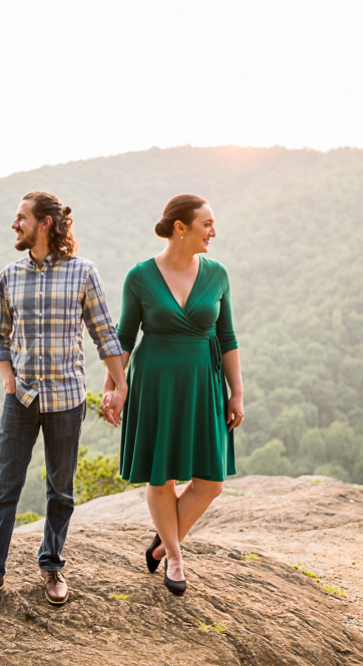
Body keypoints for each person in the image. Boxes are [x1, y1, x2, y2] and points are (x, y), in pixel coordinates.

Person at [0, 191, 129, 615]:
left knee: (61, 490)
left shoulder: (83, 272)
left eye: (21, 218)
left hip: (67, 399)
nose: (14, 224)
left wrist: (121, 385)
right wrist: (8, 379)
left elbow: (106, 335)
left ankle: (51, 565)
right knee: (5, 490)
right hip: (20, 400)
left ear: (45, 224)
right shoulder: (10, 275)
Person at [100, 194, 243, 596]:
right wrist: (113, 386)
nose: (213, 232)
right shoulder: (140, 276)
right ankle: (176, 559)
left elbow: (228, 337)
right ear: (181, 228)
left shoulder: (217, 274)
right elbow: (124, 338)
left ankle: (163, 542)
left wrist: (237, 394)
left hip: (204, 382)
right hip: (155, 382)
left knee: (210, 480)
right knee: (161, 474)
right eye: (206, 225)